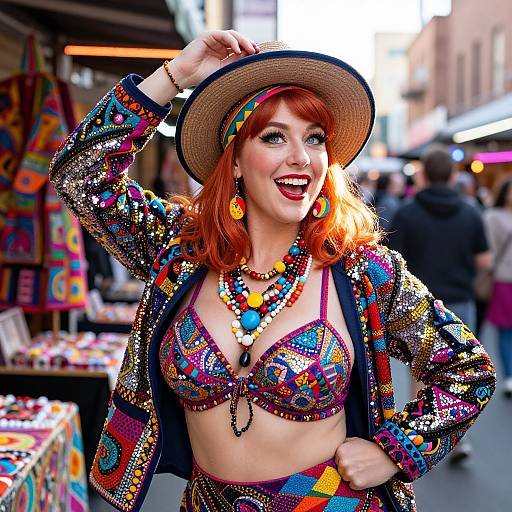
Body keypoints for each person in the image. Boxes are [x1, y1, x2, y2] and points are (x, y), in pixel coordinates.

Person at [49, 31, 495, 512]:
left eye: (315, 138)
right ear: (235, 160)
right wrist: (174, 76)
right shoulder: (179, 251)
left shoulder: (364, 270)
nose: (301, 157)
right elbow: (79, 175)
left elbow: (468, 370)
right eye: (274, 136)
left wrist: (396, 450)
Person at [388, 145, 492, 464]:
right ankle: (456, 439)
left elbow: (393, 265)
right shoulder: (471, 212)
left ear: (422, 174)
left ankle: (418, 436)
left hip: (415, 305)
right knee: (460, 368)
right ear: (452, 175)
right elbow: (484, 260)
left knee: (421, 371)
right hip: (460, 299)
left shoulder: (406, 212)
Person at [484, 179, 512, 398]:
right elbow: (490, 249)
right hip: (504, 278)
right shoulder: (493, 217)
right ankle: (510, 376)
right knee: (506, 330)